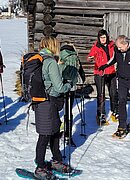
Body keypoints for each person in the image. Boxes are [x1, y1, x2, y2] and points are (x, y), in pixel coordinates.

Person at [33, 36, 73, 179]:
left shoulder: (39, 59)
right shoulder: (50, 62)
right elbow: (59, 87)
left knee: (55, 131)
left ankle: (56, 160)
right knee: (45, 135)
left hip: (40, 102)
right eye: (57, 45)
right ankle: (40, 167)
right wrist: (69, 85)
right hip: (48, 102)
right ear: (52, 46)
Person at [87, 29, 118, 126]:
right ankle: (101, 115)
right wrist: (90, 58)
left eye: (104, 37)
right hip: (99, 73)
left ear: (107, 37)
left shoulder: (112, 45)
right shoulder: (96, 47)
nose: (103, 39)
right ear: (99, 38)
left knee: (113, 93)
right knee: (101, 95)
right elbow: (89, 57)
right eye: (101, 38)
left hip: (111, 72)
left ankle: (115, 112)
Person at [59, 43, 82, 147]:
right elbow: (81, 72)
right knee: (68, 111)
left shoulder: (60, 55)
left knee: (56, 111)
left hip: (59, 86)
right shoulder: (75, 56)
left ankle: (57, 132)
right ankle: (68, 135)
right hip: (71, 87)